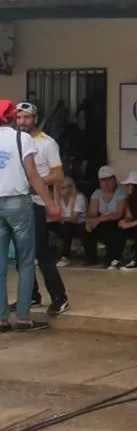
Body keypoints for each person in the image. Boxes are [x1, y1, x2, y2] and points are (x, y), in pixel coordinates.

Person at [0, 99, 61, 331]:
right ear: (11, 116)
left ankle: (2, 319)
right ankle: (23, 318)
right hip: (19, 204)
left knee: (1, 265)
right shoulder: (21, 138)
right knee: (26, 262)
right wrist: (49, 203)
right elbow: (33, 175)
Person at [14, 102, 71, 315]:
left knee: (41, 252)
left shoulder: (47, 144)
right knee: (21, 254)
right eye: (19, 118)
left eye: (26, 117)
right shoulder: (14, 141)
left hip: (37, 203)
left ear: (35, 119)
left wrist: (35, 183)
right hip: (18, 202)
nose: (22, 122)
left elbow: (58, 175)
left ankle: (59, 296)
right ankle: (31, 295)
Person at [85, 165, 127, 268]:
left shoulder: (121, 192)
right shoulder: (97, 193)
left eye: (109, 179)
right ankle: (91, 258)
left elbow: (119, 213)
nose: (106, 183)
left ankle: (111, 258)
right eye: (103, 180)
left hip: (115, 220)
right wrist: (89, 221)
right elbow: (92, 212)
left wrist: (100, 219)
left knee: (111, 229)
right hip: (102, 220)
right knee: (86, 228)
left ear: (114, 179)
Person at [47, 176, 87, 267]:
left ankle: (65, 257)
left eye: (69, 186)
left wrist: (58, 219)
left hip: (78, 226)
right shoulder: (58, 200)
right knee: (44, 225)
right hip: (64, 224)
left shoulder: (79, 197)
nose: (67, 190)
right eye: (63, 188)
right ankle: (43, 254)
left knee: (66, 225)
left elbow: (74, 218)